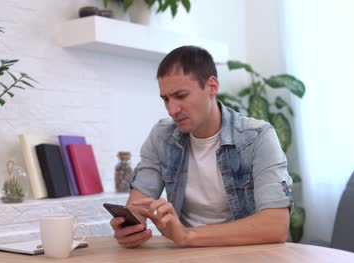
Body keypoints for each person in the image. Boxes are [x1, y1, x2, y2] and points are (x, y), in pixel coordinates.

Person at [110, 46, 293, 248]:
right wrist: (130, 228)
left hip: (245, 254)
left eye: (181, 96)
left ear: (212, 86)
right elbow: (137, 205)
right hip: (187, 255)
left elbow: (276, 225)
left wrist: (188, 236)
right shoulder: (162, 136)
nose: (172, 109)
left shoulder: (257, 137)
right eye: (166, 99)